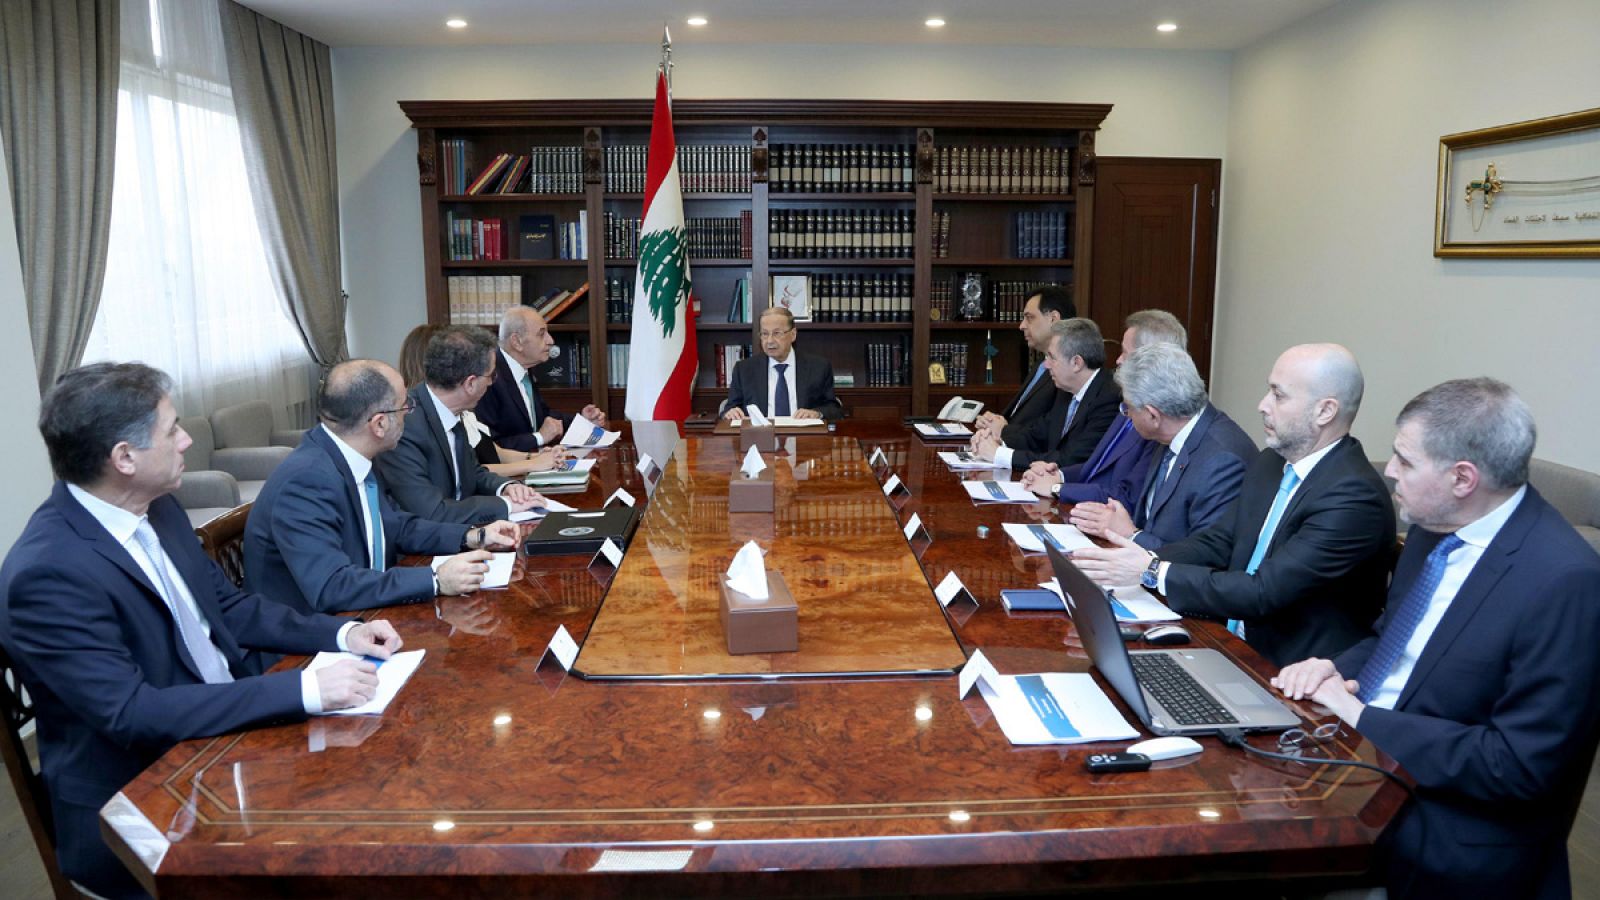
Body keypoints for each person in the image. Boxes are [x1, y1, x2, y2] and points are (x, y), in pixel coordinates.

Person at [0, 363, 404, 899]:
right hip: (144, 801)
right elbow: (131, 713)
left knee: (382, 798)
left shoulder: (157, 507)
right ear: (124, 458)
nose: (187, 439)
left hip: (228, 743)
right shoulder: (48, 572)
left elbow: (230, 609)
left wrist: (340, 635)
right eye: (172, 430)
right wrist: (302, 689)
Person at [1273, 378, 1600, 899]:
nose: (1389, 472)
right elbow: (1393, 640)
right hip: (1364, 757)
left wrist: (1364, 718)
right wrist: (1337, 669)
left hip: (1455, 829)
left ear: (1462, 479)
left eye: (1404, 461)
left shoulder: (1565, 582)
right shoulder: (1433, 525)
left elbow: (1517, 765)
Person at [1071, 343, 1394, 666]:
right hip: (1226, 640)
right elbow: (1220, 541)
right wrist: (1134, 560)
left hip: (1289, 672)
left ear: (1325, 411)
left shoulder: (1353, 497)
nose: (1262, 405)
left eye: (1278, 396)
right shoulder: (1272, 462)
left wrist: (1153, 571)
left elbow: (1263, 592)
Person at [245, 359, 519, 615]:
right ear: (379, 424)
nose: (410, 412)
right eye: (405, 406)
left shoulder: (350, 453)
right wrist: (434, 579)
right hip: (307, 645)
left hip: (365, 613)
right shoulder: (305, 481)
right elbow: (332, 585)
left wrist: (471, 536)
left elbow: (396, 526)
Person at [1064, 342, 1257, 548]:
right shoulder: (1168, 433)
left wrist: (1132, 535)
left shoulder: (1223, 461)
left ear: (1152, 415)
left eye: (1127, 407)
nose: (1126, 414)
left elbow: (1205, 556)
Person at [377, 326, 549, 524]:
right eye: (491, 376)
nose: (492, 383)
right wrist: (507, 505)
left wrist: (507, 487)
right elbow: (431, 512)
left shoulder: (452, 410)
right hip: (429, 545)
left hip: (466, 529)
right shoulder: (406, 425)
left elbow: (472, 471)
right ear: (470, 383)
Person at [1020, 309, 1191, 505]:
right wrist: (1059, 474)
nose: (1118, 360)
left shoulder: (1158, 420)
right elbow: (1097, 467)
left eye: (1125, 353)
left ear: (1152, 358)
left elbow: (1127, 494)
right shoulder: (1128, 404)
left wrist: (1057, 488)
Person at [398, 322, 566, 478]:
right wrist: (531, 464)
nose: (492, 380)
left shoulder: (460, 411)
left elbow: (492, 451)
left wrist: (534, 457)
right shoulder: (416, 421)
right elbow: (475, 472)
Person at [970, 317, 1119, 471]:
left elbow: (1069, 459)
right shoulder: (1067, 390)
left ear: (1077, 363)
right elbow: (1037, 436)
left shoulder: (1108, 398)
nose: (1046, 365)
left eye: (1052, 357)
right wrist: (995, 441)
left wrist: (999, 455)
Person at [475, 307, 608, 453]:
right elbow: (488, 448)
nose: (550, 341)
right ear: (517, 342)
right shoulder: (488, 377)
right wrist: (539, 437)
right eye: (541, 334)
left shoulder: (523, 369)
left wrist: (582, 421)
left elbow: (542, 416)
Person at [973, 285, 1075, 443]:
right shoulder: (1041, 363)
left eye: (1029, 318)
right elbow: (1016, 418)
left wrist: (1004, 431)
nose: (1022, 326)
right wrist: (993, 422)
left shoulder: (1069, 370)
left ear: (1054, 319)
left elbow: (1050, 430)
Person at [723, 306, 844, 421]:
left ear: (793, 335)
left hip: (804, 436)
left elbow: (834, 409)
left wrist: (817, 413)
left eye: (777, 333)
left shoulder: (819, 367)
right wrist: (731, 413)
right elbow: (729, 408)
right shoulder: (744, 369)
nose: (769, 341)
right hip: (760, 437)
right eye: (765, 334)